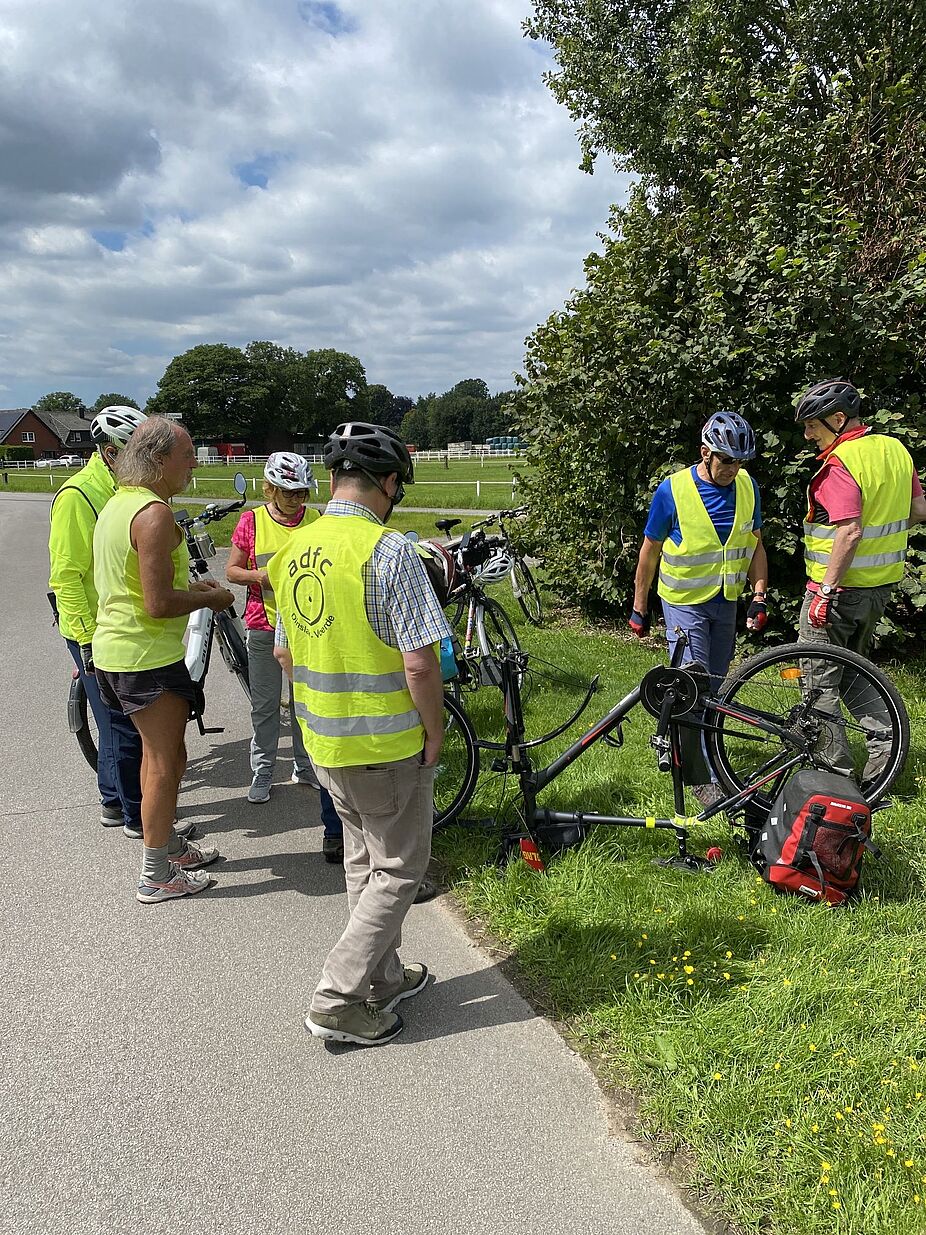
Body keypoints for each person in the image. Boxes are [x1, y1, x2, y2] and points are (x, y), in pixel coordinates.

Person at [270, 421, 452, 1047]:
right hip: (385, 744)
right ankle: (337, 996)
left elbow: (285, 654)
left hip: (324, 740)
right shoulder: (390, 550)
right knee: (400, 869)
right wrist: (434, 732)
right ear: (390, 484)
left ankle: (385, 979)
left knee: (360, 860)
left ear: (331, 480)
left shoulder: (291, 551)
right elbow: (420, 661)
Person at [92, 417, 236, 903]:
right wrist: (209, 600)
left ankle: (170, 845)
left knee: (171, 756)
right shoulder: (153, 514)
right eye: (187, 455)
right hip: (144, 656)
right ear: (158, 459)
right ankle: (156, 874)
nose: (194, 463)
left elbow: (139, 589)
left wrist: (186, 592)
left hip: (121, 651)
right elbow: (156, 604)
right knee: (160, 761)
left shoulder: (118, 505)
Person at [629, 412, 769, 804]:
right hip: (683, 603)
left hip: (726, 601)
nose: (732, 468)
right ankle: (701, 777)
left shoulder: (748, 487)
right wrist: (640, 607)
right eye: (726, 460)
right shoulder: (671, 491)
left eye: (739, 461)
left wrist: (759, 595)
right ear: (705, 453)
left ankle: (702, 754)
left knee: (717, 689)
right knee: (693, 685)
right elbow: (649, 551)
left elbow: (755, 544)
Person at [795, 378, 926, 788]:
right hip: (878, 589)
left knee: (820, 682)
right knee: (854, 672)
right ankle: (887, 757)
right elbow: (920, 510)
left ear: (837, 419)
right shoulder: (895, 450)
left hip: (837, 592)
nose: (808, 435)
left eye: (813, 425)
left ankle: (832, 777)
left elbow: (848, 532)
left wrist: (824, 590)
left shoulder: (841, 463)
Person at [48, 406, 171, 841]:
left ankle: (118, 801)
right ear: (107, 451)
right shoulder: (78, 495)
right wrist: (85, 641)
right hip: (94, 627)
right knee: (117, 722)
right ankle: (129, 811)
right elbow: (66, 574)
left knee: (120, 722)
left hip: (118, 622)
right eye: (134, 449)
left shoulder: (122, 488)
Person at [226, 450, 346, 859]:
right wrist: (261, 575)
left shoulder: (315, 521)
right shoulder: (252, 521)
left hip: (304, 624)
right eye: (287, 491)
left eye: (300, 491)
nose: (295, 499)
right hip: (263, 623)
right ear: (270, 489)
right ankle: (262, 771)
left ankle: (304, 765)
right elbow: (232, 570)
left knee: (303, 703)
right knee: (264, 704)